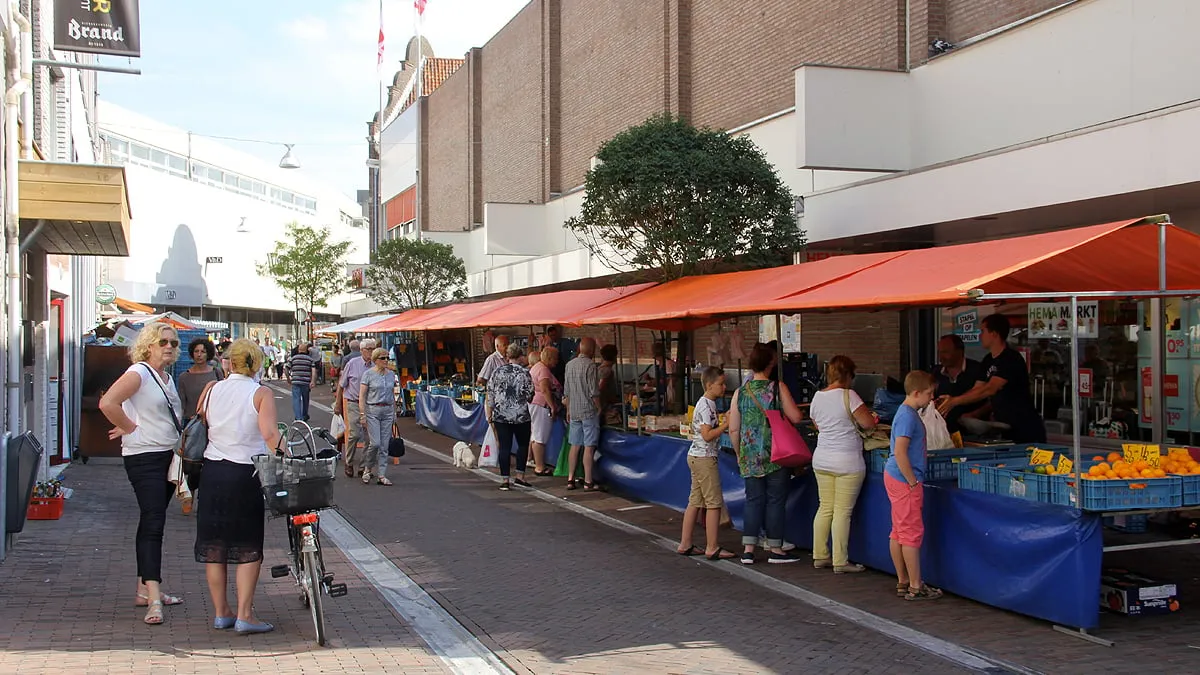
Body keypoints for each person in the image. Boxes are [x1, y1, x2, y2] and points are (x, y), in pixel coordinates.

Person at [98, 322, 185, 625]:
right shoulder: (139, 373)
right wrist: (128, 427)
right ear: (149, 344)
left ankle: (143, 589)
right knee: (153, 521)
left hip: (166, 455)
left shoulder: (166, 378)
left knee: (152, 519)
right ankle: (154, 597)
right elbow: (108, 402)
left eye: (174, 342)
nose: (170, 347)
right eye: (164, 342)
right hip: (144, 456)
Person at [195, 338, 282, 633]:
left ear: (229, 362)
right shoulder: (261, 393)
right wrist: (291, 453)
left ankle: (222, 612)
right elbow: (270, 434)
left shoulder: (210, 389)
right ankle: (245, 614)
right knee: (248, 545)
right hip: (246, 474)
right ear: (256, 363)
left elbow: (203, 423)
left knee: (214, 546)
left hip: (212, 472)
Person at [727, 343, 805, 565]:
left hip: (749, 454)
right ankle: (775, 549)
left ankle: (749, 550)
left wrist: (740, 452)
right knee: (775, 501)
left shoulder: (740, 392)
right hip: (776, 454)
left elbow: (734, 428)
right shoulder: (777, 388)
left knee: (753, 500)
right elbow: (796, 417)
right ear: (771, 362)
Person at [808, 355, 877, 574]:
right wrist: (873, 419)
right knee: (842, 512)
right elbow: (867, 424)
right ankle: (840, 560)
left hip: (822, 459)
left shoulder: (817, 397)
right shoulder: (850, 396)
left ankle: (820, 555)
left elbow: (817, 425)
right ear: (848, 375)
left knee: (824, 507)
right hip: (847, 461)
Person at [937, 314, 1046, 443]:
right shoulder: (988, 360)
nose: (980, 335)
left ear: (994, 333)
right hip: (1003, 428)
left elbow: (990, 389)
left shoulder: (1011, 359)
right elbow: (978, 388)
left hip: (1025, 428)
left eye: (983, 331)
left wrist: (954, 401)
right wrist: (970, 413)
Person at [885, 370, 943, 601]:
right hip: (904, 479)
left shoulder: (903, 413)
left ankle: (903, 580)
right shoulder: (909, 417)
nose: (932, 398)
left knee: (898, 531)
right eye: (929, 393)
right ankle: (915, 585)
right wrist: (912, 481)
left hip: (895, 477)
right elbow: (900, 451)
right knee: (910, 534)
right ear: (917, 392)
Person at [677, 367, 736, 560]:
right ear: (710, 385)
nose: (724, 387)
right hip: (704, 458)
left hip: (696, 455)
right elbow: (707, 435)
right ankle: (712, 546)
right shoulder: (706, 405)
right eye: (721, 384)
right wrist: (726, 425)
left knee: (695, 500)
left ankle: (685, 542)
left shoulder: (706, 403)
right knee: (713, 503)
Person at [177, 337, 224, 515]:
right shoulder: (184, 377)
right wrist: (183, 425)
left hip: (213, 423)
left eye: (203, 351)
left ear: (208, 353)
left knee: (212, 463)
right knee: (193, 464)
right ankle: (189, 495)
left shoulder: (216, 373)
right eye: (196, 351)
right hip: (194, 424)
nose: (199, 355)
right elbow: (181, 403)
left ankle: (205, 498)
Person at [485, 343, 535, 491]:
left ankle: (504, 479)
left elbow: (491, 394)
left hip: (501, 416)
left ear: (507, 356)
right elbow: (530, 395)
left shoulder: (497, 372)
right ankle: (520, 476)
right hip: (520, 416)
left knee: (505, 447)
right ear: (520, 356)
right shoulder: (525, 373)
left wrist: (491, 411)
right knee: (522, 445)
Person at [563, 338, 601, 490]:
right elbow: (593, 391)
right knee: (589, 447)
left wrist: (568, 410)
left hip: (574, 411)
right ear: (592, 350)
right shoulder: (591, 366)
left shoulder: (569, 365)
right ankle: (588, 481)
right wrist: (600, 407)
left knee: (575, 445)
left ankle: (570, 478)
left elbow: (567, 391)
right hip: (588, 410)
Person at [358, 348, 398, 486]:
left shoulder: (391, 374)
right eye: (383, 358)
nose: (386, 360)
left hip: (387, 409)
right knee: (375, 443)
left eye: (387, 358)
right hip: (373, 410)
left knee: (384, 445)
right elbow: (362, 396)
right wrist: (362, 414)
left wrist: (394, 412)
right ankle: (368, 468)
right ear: (375, 360)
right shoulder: (368, 374)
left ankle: (382, 474)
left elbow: (393, 393)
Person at [335, 339, 373, 478]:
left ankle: (363, 467)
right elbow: (341, 384)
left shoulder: (375, 366)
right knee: (355, 434)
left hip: (370, 404)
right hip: (354, 402)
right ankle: (349, 462)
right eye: (369, 349)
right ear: (362, 350)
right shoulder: (352, 363)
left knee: (370, 438)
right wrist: (338, 403)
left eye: (373, 348)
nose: (371, 351)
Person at [934, 335, 986, 434]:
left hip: (974, 434)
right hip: (945, 434)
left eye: (945, 352)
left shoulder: (977, 370)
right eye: (939, 352)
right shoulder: (936, 373)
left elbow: (991, 400)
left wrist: (975, 414)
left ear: (960, 351)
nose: (941, 357)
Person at [528, 345, 561, 476]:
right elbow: (545, 389)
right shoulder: (543, 370)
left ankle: (537, 464)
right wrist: (553, 406)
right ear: (549, 358)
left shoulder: (536, 367)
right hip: (541, 405)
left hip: (534, 404)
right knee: (540, 436)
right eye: (555, 358)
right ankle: (540, 467)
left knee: (536, 435)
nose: (557, 361)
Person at [287, 341, 318, 422]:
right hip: (306, 382)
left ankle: (298, 417)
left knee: (296, 399)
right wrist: (313, 381)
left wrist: (288, 379)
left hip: (296, 381)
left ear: (298, 350)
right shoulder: (310, 359)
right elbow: (313, 371)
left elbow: (286, 369)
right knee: (305, 399)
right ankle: (304, 415)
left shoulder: (293, 358)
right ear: (306, 350)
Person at [597, 343, 621, 424]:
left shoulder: (599, 369)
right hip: (604, 407)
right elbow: (600, 388)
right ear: (614, 357)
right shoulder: (608, 371)